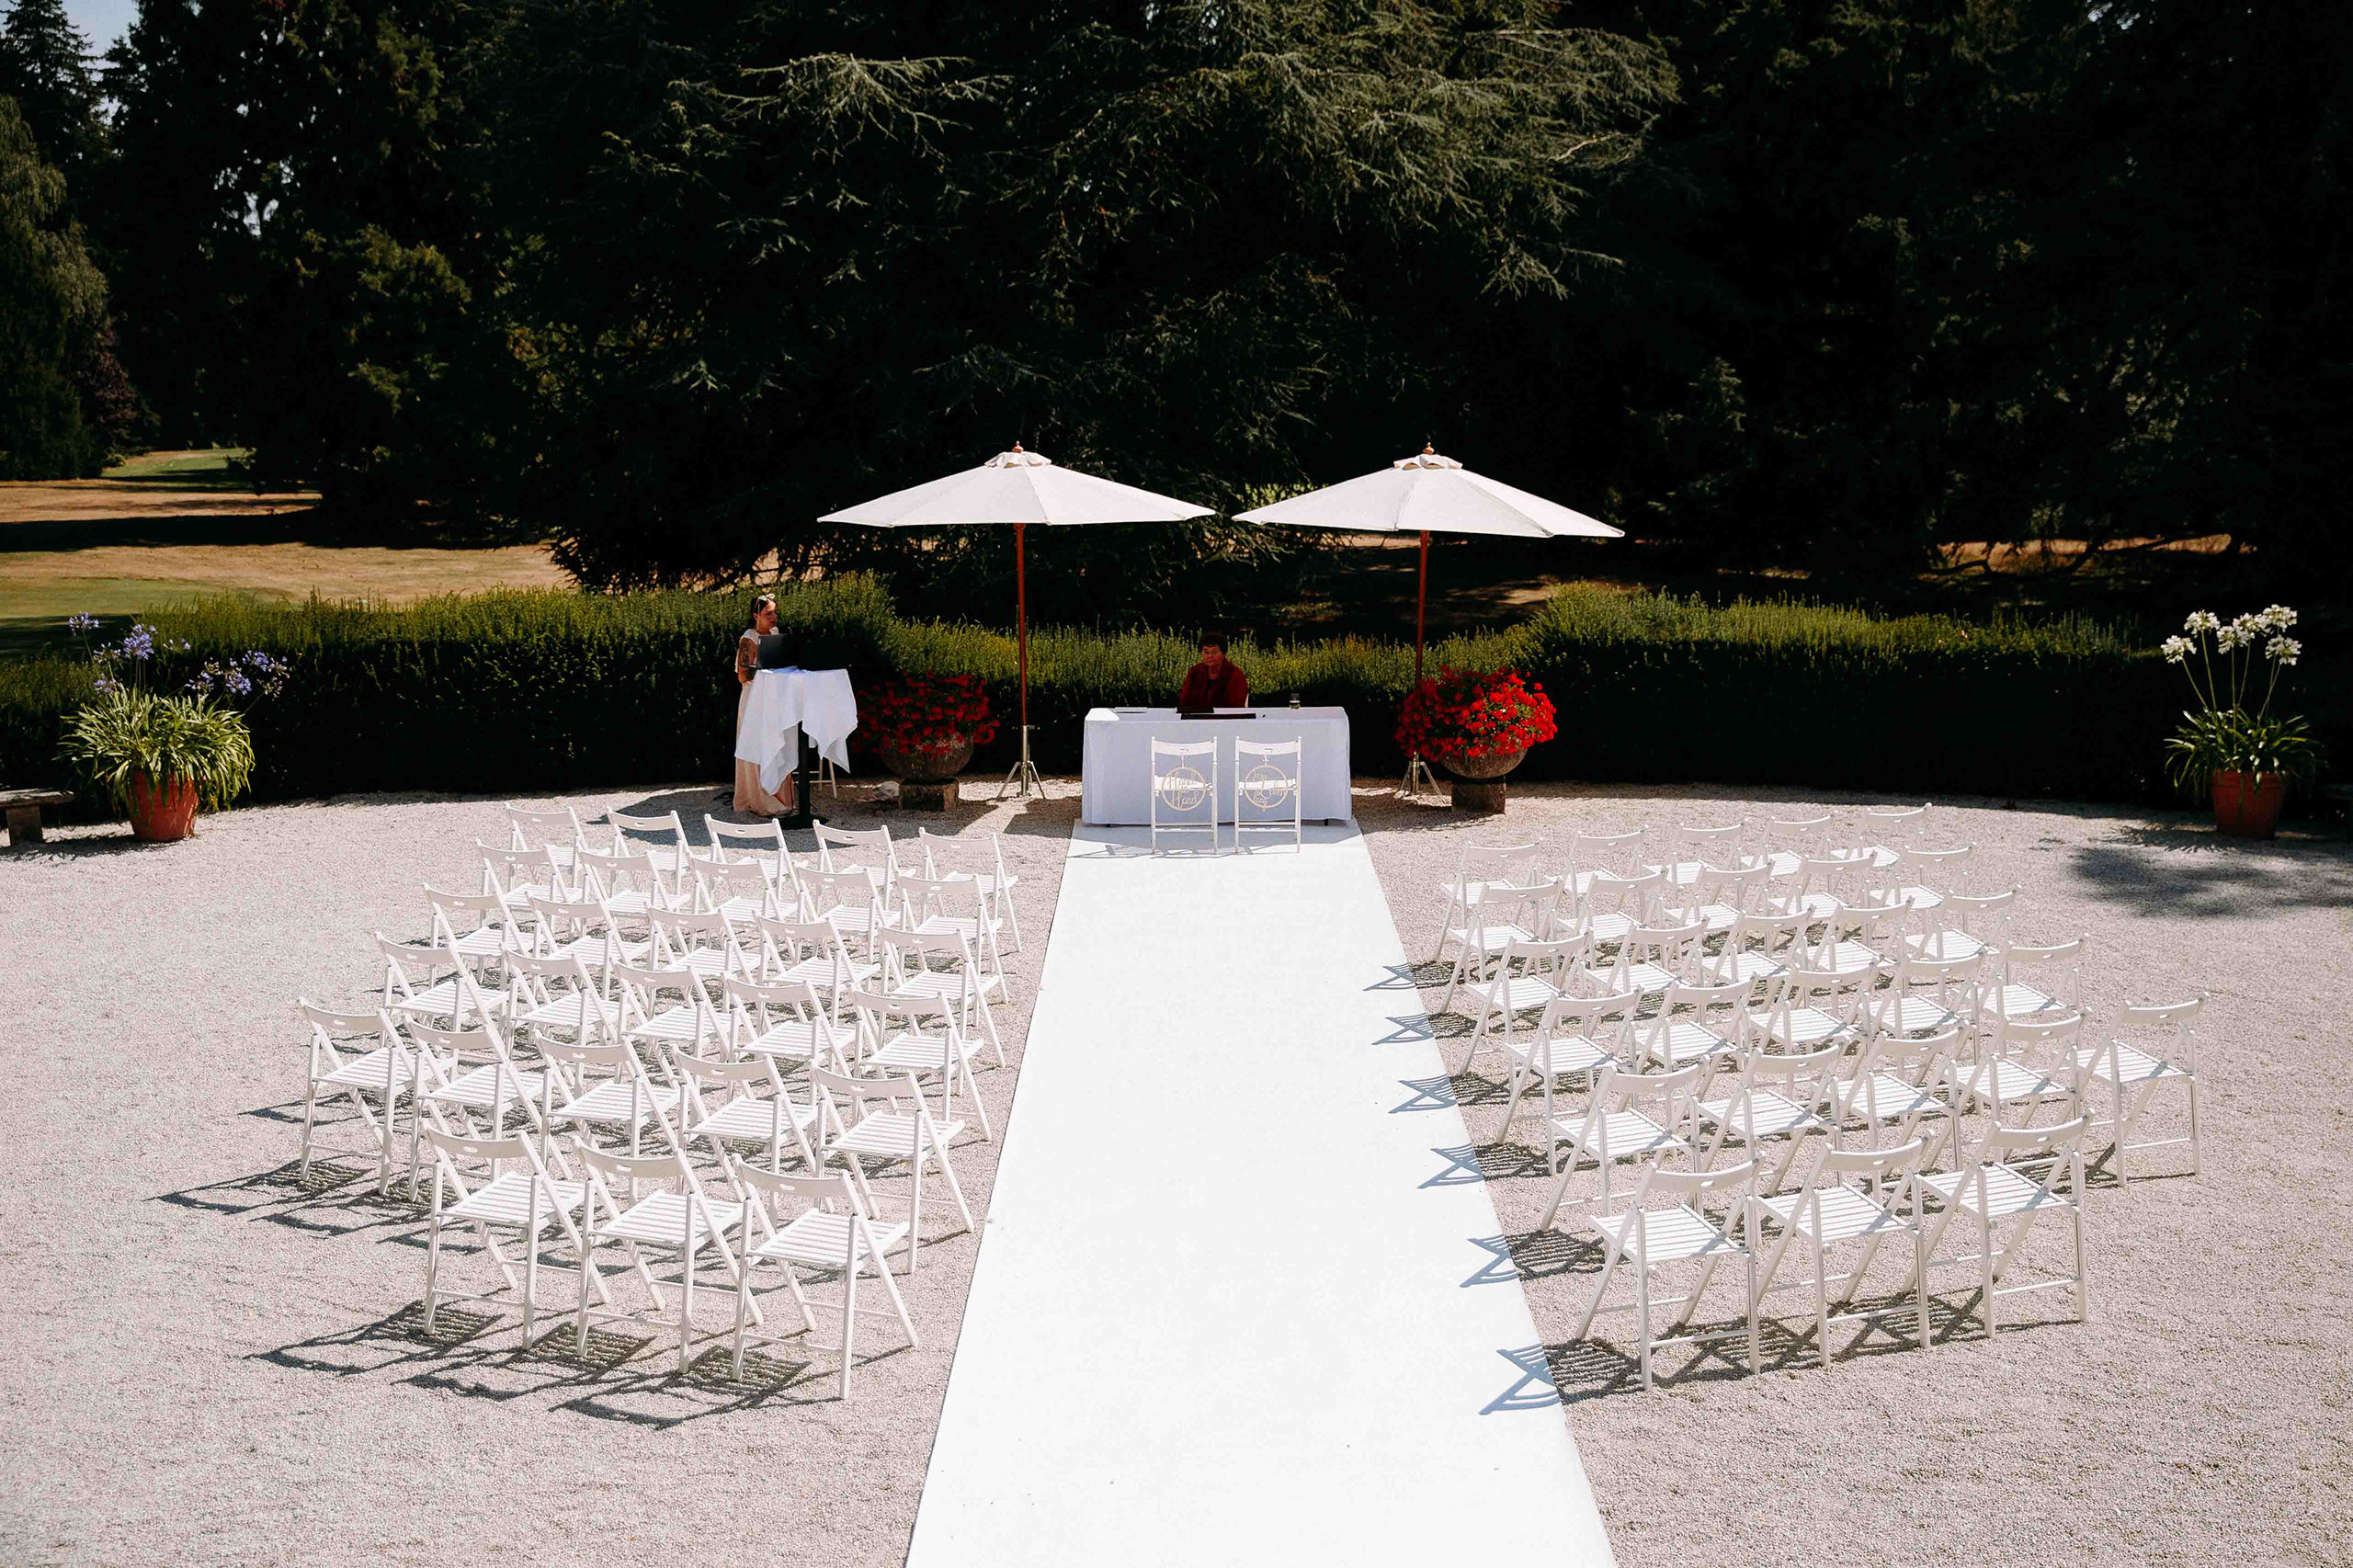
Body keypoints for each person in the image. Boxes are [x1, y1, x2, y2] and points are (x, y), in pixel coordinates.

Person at [733, 595, 794, 815]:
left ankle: (782, 798)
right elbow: (742, 676)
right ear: (756, 615)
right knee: (757, 745)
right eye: (769, 613)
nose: (774, 617)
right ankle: (760, 799)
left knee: (778, 745)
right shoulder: (748, 639)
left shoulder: (778, 635)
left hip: (775, 699)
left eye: (775, 612)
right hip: (754, 699)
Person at [1178, 633, 1248, 710]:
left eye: (1214, 652)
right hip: (1197, 719)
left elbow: (1236, 707)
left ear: (1223, 653)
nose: (1210, 656)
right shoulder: (1195, 672)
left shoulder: (1236, 675)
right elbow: (1184, 702)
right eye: (1206, 652)